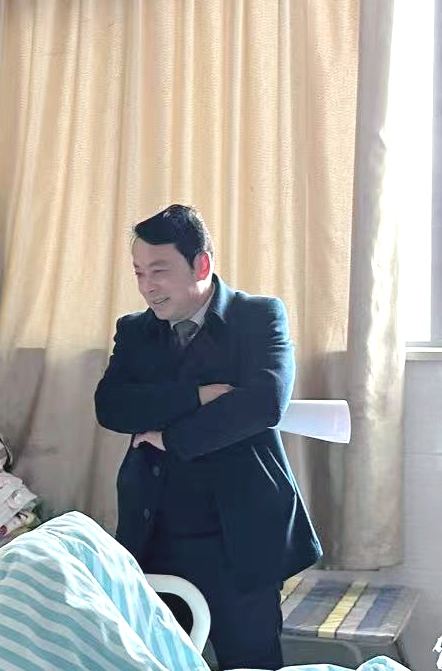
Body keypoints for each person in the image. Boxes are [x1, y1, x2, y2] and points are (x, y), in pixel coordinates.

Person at [94, 204, 320, 670]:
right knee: (156, 660)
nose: (148, 286)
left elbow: (264, 404)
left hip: (239, 533)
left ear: (201, 264)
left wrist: (169, 439)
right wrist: (199, 396)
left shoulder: (257, 316)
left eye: (160, 270)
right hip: (155, 527)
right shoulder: (135, 330)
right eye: (138, 272)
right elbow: (111, 406)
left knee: (250, 661)